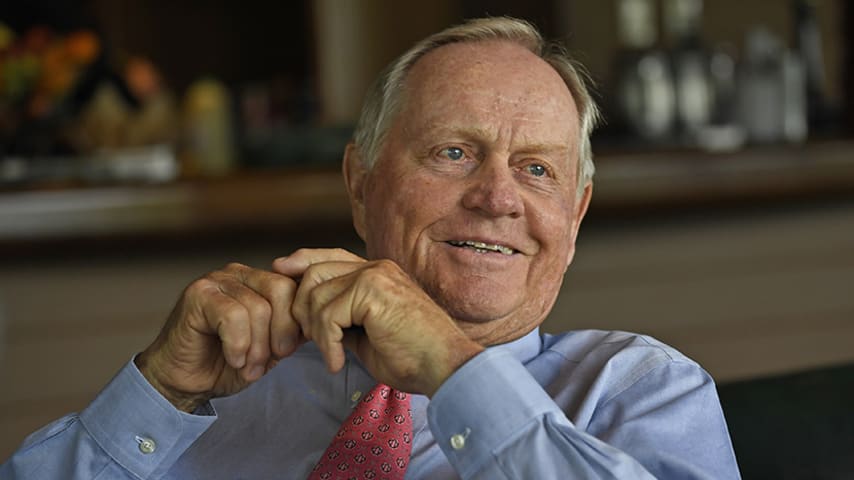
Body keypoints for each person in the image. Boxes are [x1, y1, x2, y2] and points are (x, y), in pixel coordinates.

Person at [1, 17, 740, 479]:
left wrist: (455, 368)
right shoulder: (223, 384)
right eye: (453, 152)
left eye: (537, 170)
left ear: (573, 219)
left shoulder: (642, 388)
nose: (498, 197)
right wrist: (156, 391)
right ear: (360, 184)